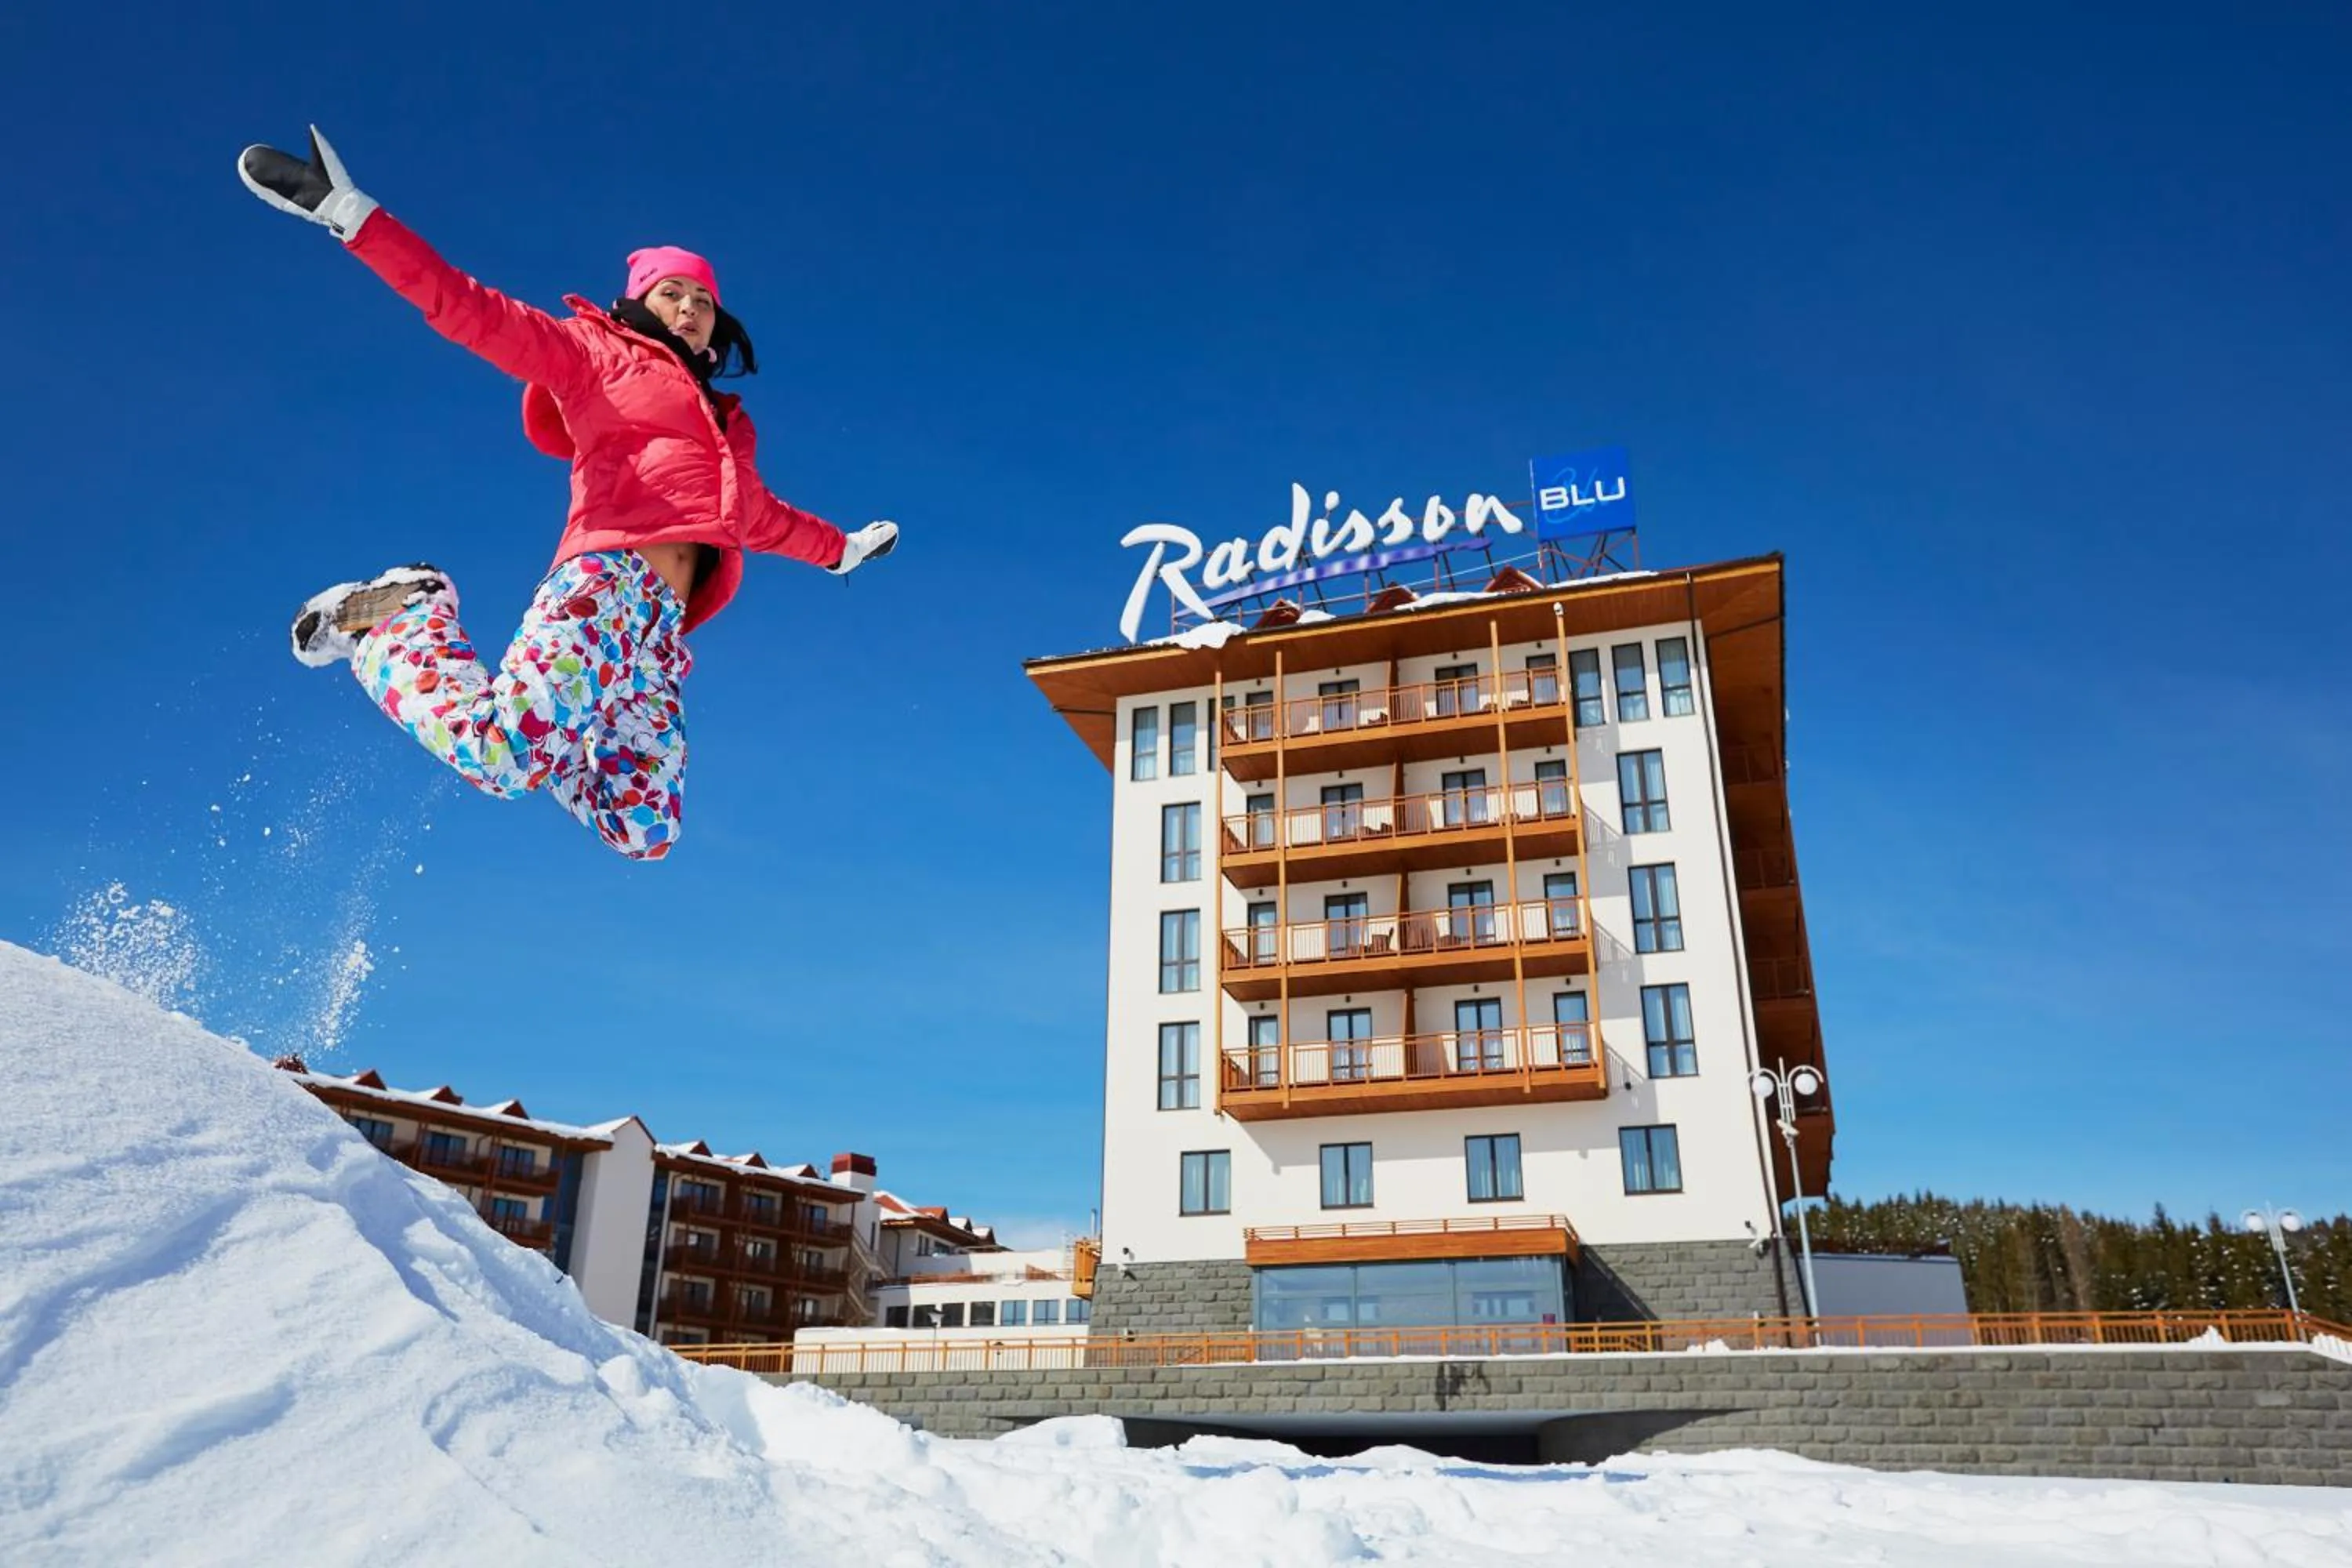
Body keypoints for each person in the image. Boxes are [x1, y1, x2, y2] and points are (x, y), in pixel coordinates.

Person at [238, 127, 897, 862]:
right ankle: (399, 618)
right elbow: (468, 308)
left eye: (703, 300)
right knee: (503, 757)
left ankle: (551, 734)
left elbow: (760, 519)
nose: (688, 308)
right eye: (670, 292)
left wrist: (841, 552)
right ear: (638, 300)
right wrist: (356, 217)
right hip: (606, 586)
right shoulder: (593, 353)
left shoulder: (723, 426)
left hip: (658, 638)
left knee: (644, 829)